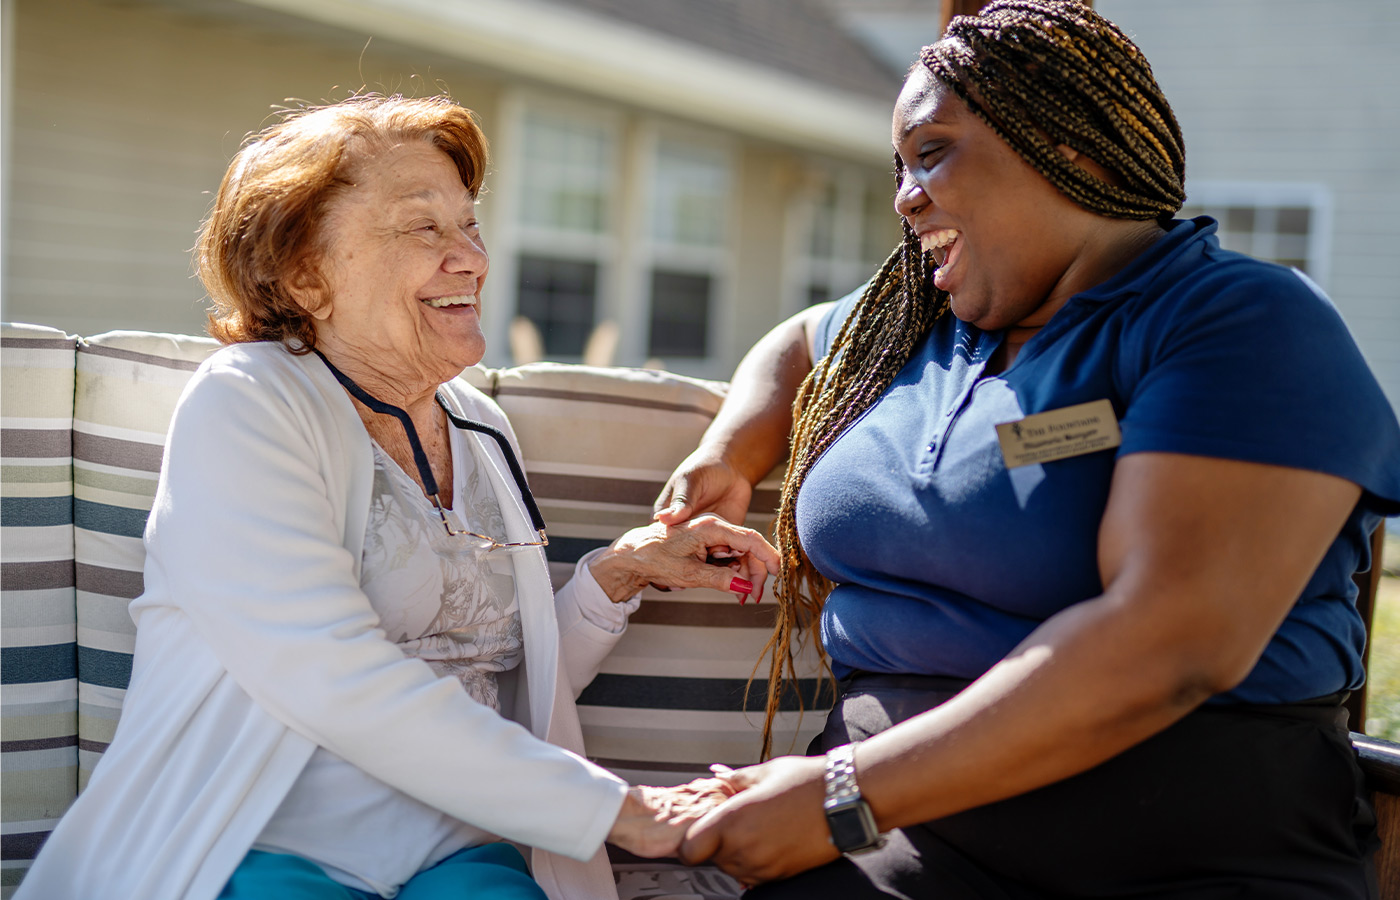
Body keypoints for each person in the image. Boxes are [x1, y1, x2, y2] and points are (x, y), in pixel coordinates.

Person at [657, 2, 1400, 897]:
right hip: (885, 838)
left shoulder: (1237, 321)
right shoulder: (911, 326)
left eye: (932, 152)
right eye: (899, 165)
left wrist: (843, 797)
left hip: (1173, 849)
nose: (904, 194)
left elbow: (1173, 642)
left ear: (1070, 149)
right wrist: (732, 450)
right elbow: (797, 343)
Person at [17, 94, 779, 900]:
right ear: (304, 274)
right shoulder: (246, 402)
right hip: (260, 839)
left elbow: (494, 677)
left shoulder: (478, 425)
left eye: (470, 224)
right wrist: (621, 809)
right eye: (424, 228)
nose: (473, 259)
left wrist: (618, 576)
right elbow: (324, 667)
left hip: (455, 850)